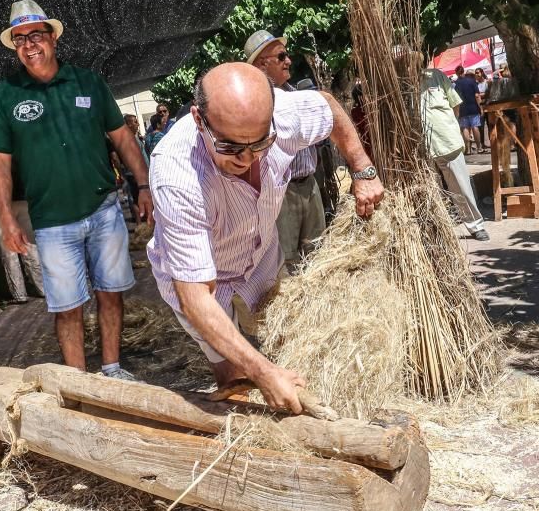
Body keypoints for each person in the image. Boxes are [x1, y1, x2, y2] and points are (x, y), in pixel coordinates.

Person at [146, 62, 384, 412]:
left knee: (286, 345)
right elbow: (196, 299)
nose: (247, 158)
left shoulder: (283, 115)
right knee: (236, 374)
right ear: (199, 120)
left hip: (260, 257)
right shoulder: (176, 174)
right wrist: (261, 372)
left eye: (260, 143)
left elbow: (329, 109)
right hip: (203, 280)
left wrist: (363, 170)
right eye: (230, 147)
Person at [0, 0, 152, 379]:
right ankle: (77, 382)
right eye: (20, 39)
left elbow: (122, 138)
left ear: (53, 38)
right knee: (67, 306)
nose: (28, 45)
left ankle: (111, 367)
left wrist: (143, 184)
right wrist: (7, 220)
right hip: (52, 223)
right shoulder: (5, 96)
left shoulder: (87, 82)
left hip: (104, 209)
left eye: (35, 36)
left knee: (111, 292)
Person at [245, 29, 326, 270]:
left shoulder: (295, 95)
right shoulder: (254, 104)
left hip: (310, 186)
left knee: (319, 256)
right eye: (281, 57)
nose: (288, 61)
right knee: (288, 263)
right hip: (281, 193)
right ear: (262, 64)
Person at [420, 68, 489, 241]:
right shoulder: (399, 81)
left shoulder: (436, 76)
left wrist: (451, 125)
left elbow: (455, 104)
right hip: (419, 148)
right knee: (426, 190)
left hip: (446, 140)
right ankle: (433, 230)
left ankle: (476, 225)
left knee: (461, 186)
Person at [113, 114, 148, 223]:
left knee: (135, 198)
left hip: (135, 174)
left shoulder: (135, 138)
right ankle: (142, 223)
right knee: (136, 198)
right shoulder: (129, 141)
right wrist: (122, 173)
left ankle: (142, 223)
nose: (137, 124)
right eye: (135, 122)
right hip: (135, 174)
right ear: (128, 125)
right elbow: (117, 159)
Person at [453, 65, 483, 155]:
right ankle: (479, 148)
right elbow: (477, 95)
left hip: (462, 109)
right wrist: (481, 107)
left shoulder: (455, 84)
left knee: (465, 128)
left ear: (456, 73)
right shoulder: (471, 81)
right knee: (475, 127)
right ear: (463, 71)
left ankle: (468, 149)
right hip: (473, 107)